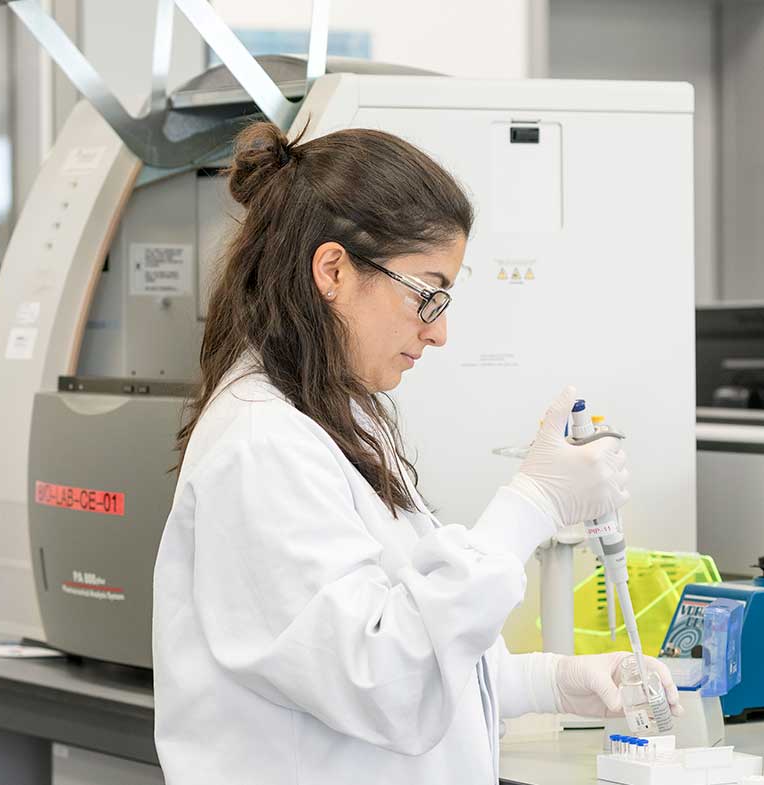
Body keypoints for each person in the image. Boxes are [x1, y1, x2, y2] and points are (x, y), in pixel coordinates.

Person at [151, 122, 682, 785]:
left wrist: (549, 681)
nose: (439, 332)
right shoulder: (263, 445)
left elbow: (405, 639)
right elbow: (382, 678)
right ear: (333, 270)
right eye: (428, 294)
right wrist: (533, 504)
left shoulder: (335, 416)